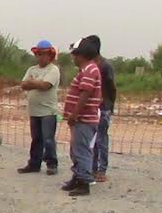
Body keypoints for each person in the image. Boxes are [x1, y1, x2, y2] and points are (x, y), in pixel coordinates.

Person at [62, 35, 104, 197]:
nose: (73, 57)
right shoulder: (87, 70)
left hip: (84, 119)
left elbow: (85, 93)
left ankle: (84, 181)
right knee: (76, 150)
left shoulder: (90, 70)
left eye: (75, 54)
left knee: (81, 150)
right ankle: (77, 177)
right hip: (81, 119)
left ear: (82, 55)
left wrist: (74, 113)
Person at [16, 40, 61, 176]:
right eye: (38, 54)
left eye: (43, 54)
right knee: (36, 138)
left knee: (48, 139)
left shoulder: (53, 70)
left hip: (48, 110)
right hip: (34, 111)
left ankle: (52, 164)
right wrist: (34, 83)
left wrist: (32, 82)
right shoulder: (32, 69)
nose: (40, 57)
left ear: (50, 55)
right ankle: (34, 164)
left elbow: (46, 85)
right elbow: (23, 84)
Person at [93, 53, 117, 183]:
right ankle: (93, 168)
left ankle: (101, 170)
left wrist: (109, 105)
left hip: (103, 107)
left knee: (101, 139)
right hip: (94, 107)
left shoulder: (105, 66)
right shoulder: (90, 66)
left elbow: (112, 88)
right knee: (93, 140)